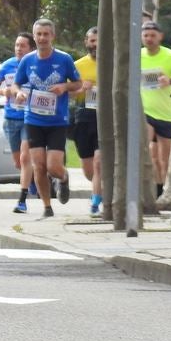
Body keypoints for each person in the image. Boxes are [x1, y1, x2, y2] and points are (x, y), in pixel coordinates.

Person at [11, 18, 81, 219]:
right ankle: (47, 207)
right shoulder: (28, 60)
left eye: (46, 34)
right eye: (38, 34)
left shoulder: (64, 59)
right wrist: (19, 93)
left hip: (57, 120)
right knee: (39, 166)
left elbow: (78, 83)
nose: (42, 38)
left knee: (53, 166)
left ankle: (64, 178)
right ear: (34, 37)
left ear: (53, 36)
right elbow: (16, 84)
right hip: (33, 119)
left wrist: (64, 87)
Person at [0, 32, 36, 212]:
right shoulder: (7, 65)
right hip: (11, 117)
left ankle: (22, 200)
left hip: (30, 117)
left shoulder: (35, 65)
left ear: (31, 48)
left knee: (26, 157)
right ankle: (31, 178)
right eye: (17, 45)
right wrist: (4, 92)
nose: (18, 49)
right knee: (18, 162)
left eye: (23, 45)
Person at [140, 20, 171, 197]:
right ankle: (150, 190)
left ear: (160, 37)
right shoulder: (137, 56)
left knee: (164, 158)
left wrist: (170, 81)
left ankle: (162, 190)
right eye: (146, 35)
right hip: (145, 111)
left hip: (167, 113)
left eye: (152, 36)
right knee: (148, 152)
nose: (149, 39)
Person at [72, 26, 103, 216]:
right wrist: (81, 89)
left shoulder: (112, 63)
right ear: (86, 42)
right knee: (88, 169)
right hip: (84, 117)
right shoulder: (77, 65)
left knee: (99, 162)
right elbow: (67, 93)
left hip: (104, 118)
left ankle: (96, 202)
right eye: (92, 41)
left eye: (99, 41)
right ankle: (99, 188)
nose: (96, 45)